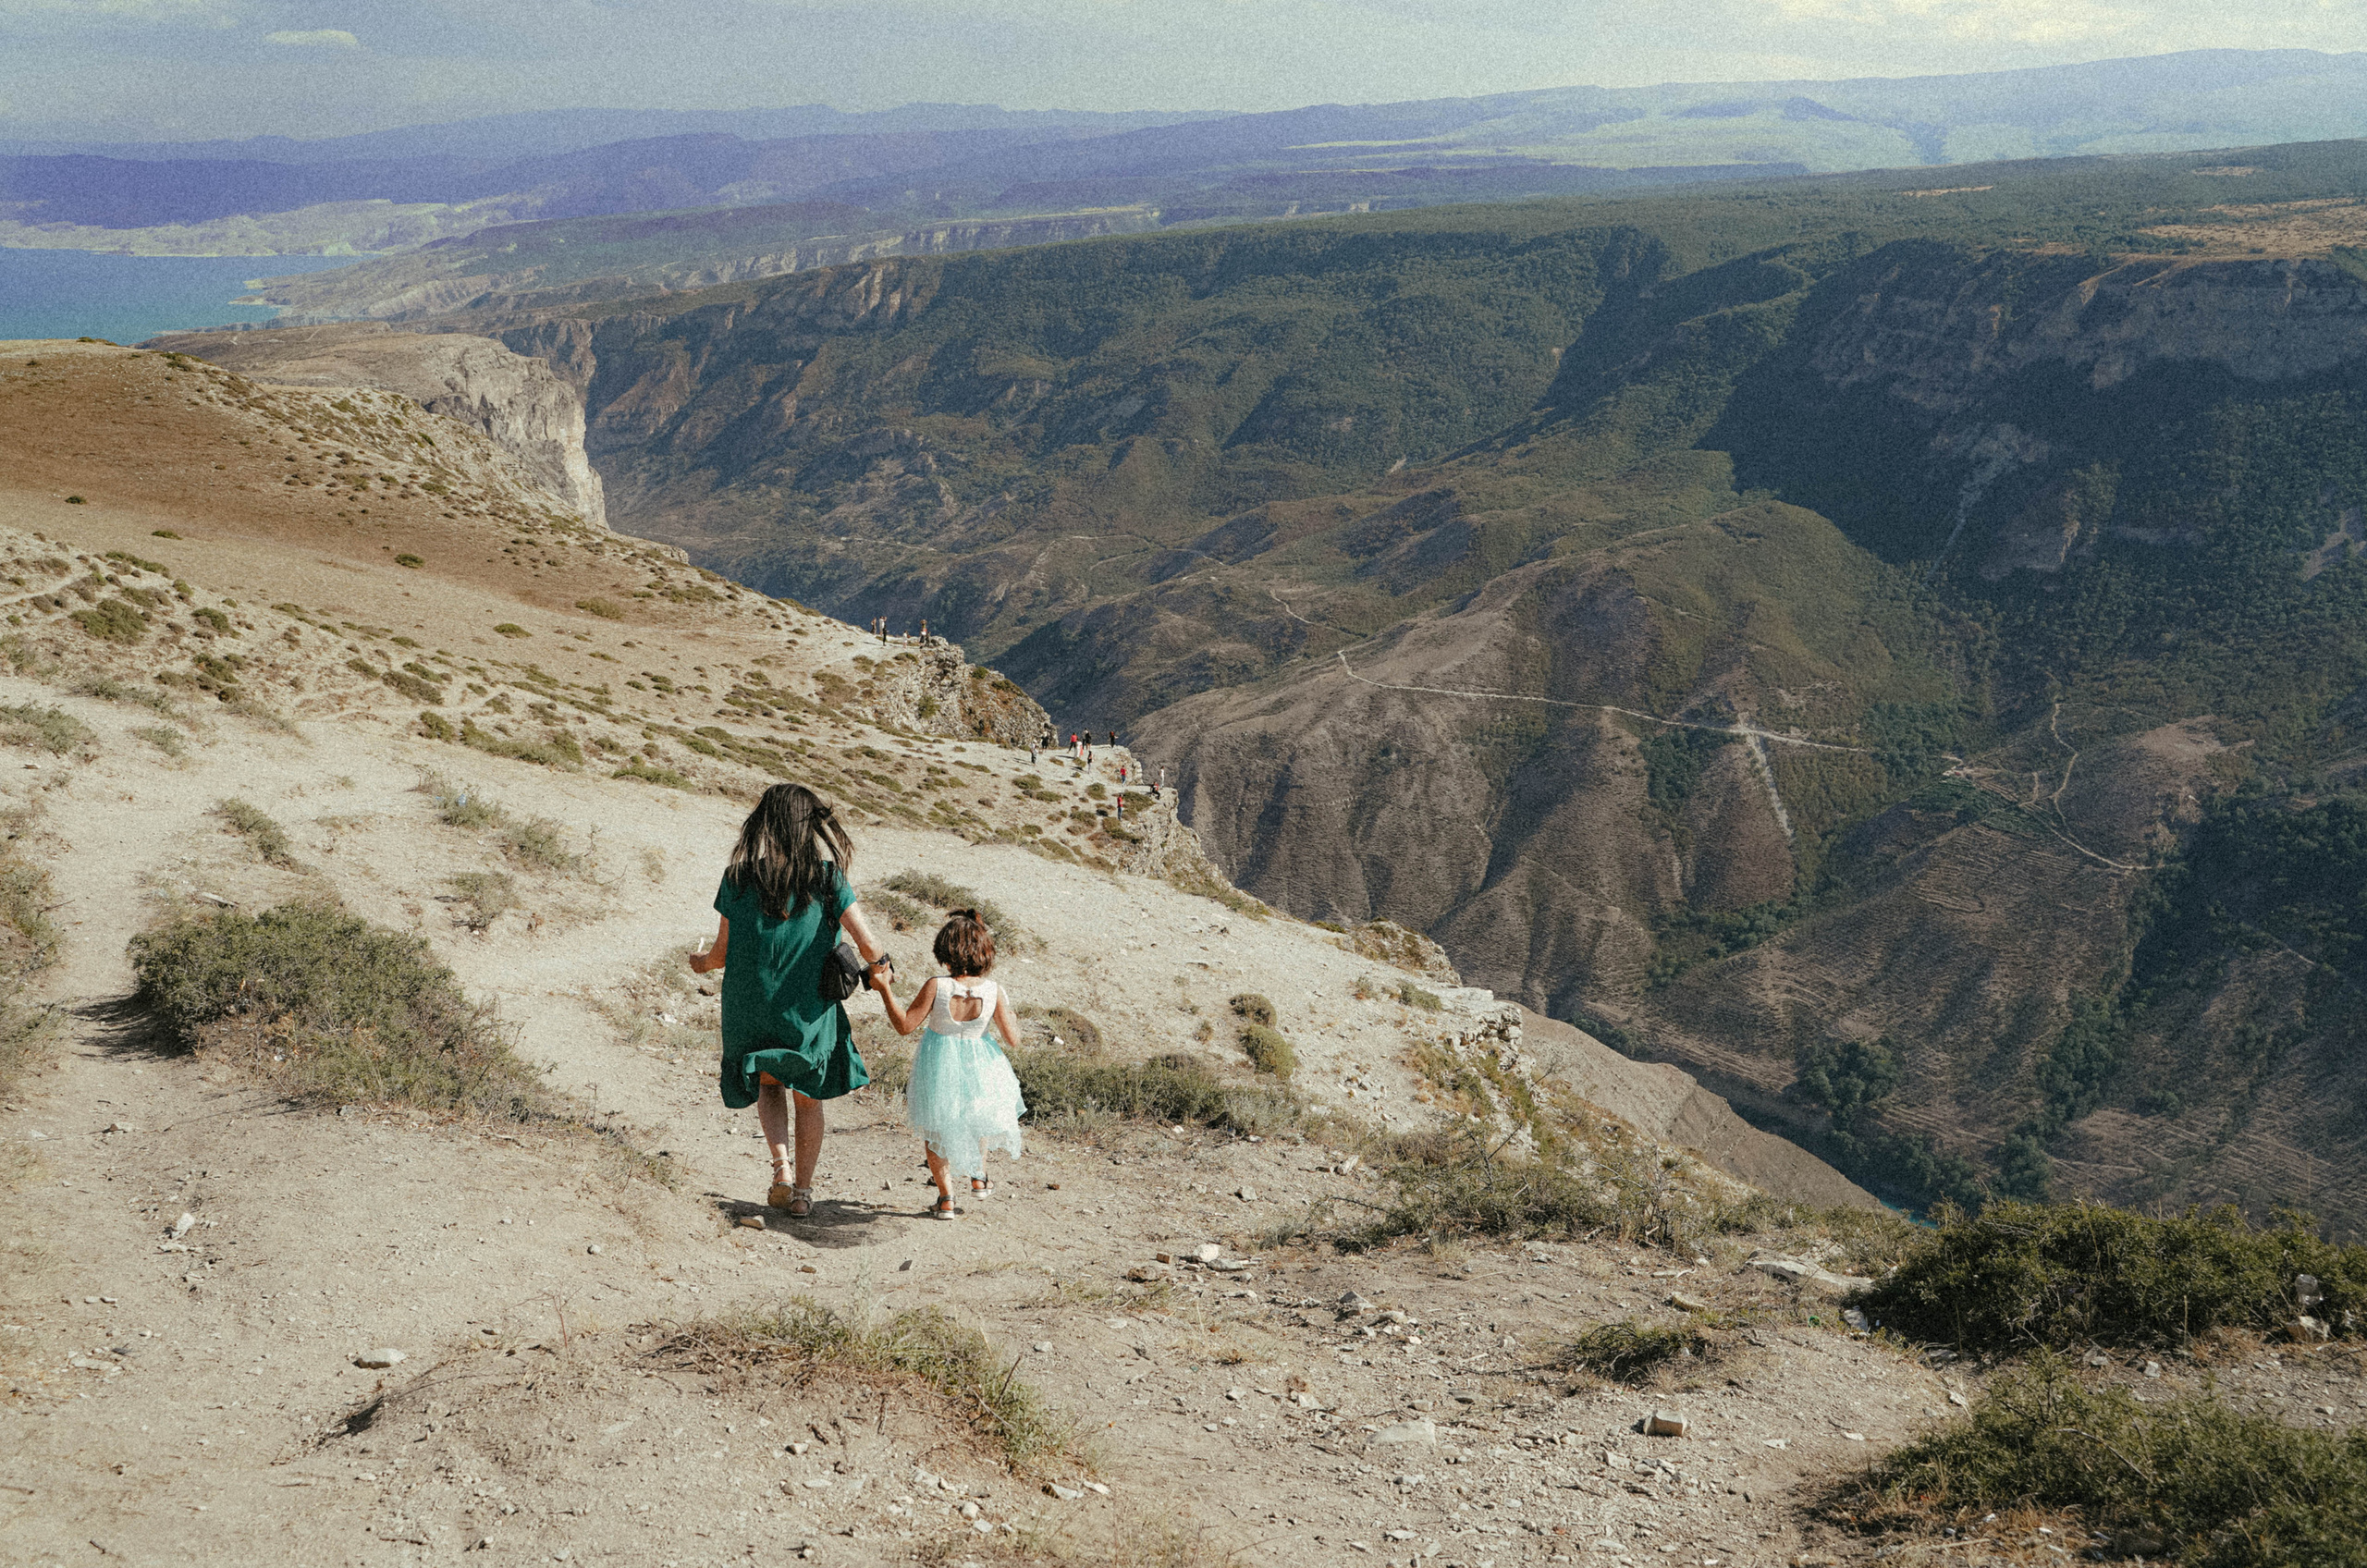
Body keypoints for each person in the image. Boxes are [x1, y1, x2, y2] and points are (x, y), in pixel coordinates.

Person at [689, 783, 889, 1218]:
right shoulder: (827, 877)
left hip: (750, 1004)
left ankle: (779, 1168)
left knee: (768, 1083)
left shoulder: (738, 878)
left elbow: (720, 954)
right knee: (807, 1095)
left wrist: (700, 964)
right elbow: (868, 944)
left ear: (764, 824)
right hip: (808, 1008)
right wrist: (882, 970)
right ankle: (801, 1193)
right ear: (808, 828)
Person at [870, 910, 1026, 1219]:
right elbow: (1013, 1039)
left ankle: (946, 1199)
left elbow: (904, 1026)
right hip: (982, 1061)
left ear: (945, 950)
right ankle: (979, 1177)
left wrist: (885, 989)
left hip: (939, 1061)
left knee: (937, 1126)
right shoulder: (993, 990)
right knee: (977, 1118)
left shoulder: (936, 986)